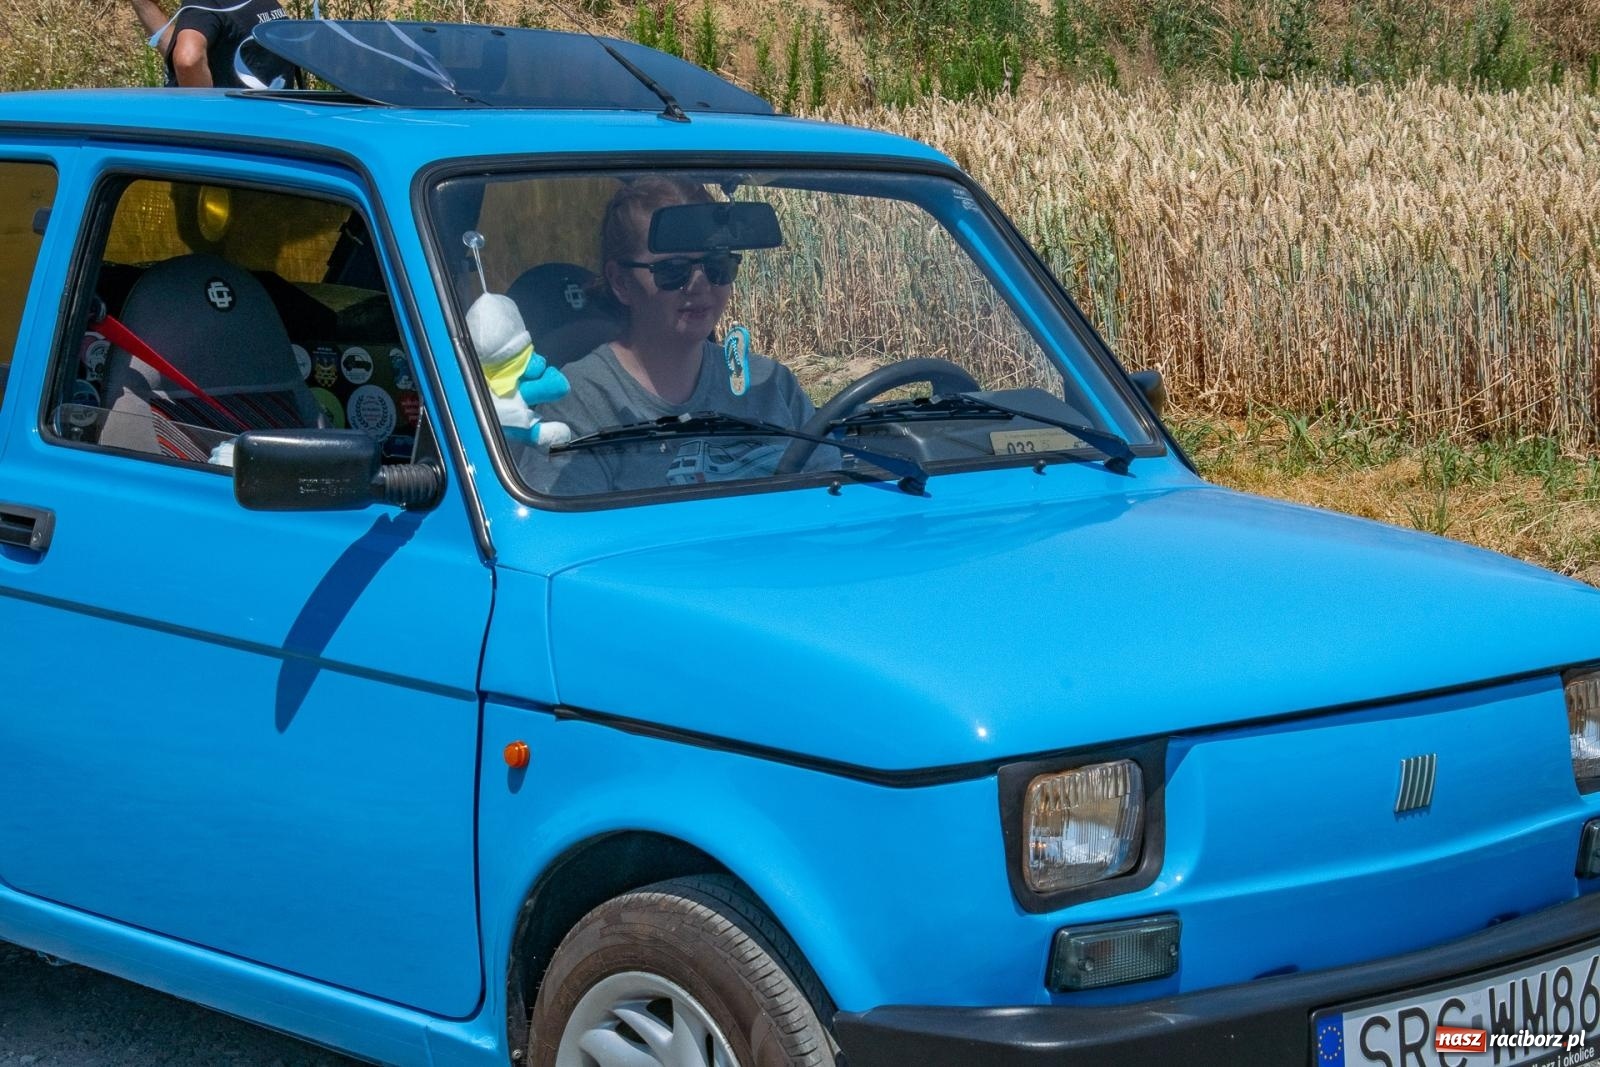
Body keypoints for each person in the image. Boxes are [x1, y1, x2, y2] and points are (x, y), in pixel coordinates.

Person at [528, 176, 819, 495]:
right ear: (621, 282)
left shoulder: (772, 384)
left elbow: (833, 499)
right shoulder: (579, 402)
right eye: (673, 270)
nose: (699, 283)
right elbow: (572, 535)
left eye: (717, 265)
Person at [129, 0, 296, 89]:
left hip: (226, 140)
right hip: (268, 129)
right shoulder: (250, 5)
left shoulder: (205, 4)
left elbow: (188, 60)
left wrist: (204, 119)